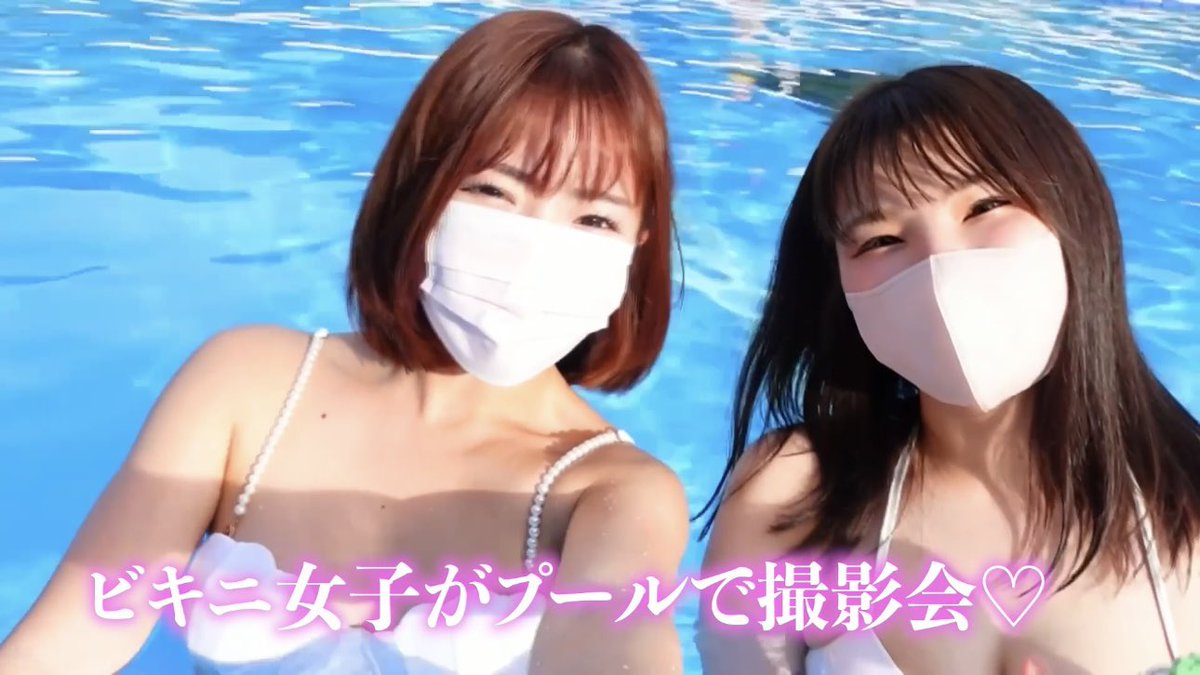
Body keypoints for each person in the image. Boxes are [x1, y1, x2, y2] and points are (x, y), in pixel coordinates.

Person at [0, 10, 688, 675]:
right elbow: (57, 651)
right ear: (420, 188)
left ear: (639, 244)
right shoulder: (245, 388)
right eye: (493, 190)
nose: (535, 247)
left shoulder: (614, 495)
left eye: (594, 219)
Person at [696, 64, 1200, 674]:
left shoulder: (1188, 505)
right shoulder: (791, 496)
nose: (941, 264)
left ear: (1077, 217)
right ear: (838, 290)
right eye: (881, 240)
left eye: (985, 205)